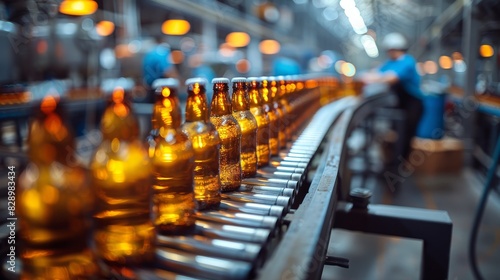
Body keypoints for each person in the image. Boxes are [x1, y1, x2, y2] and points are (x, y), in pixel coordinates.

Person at [361, 32, 424, 166]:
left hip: (413, 105)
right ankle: (392, 161)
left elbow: (391, 78)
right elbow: (375, 73)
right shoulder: (390, 63)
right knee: (396, 134)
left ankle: (401, 165)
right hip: (400, 104)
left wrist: (372, 78)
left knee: (406, 135)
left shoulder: (407, 61)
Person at [142, 36, 179, 102]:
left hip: (150, 89)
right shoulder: (162, 52)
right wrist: (177, 81)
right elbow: (168, 71)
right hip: (163, 89)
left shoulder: (149, 53)